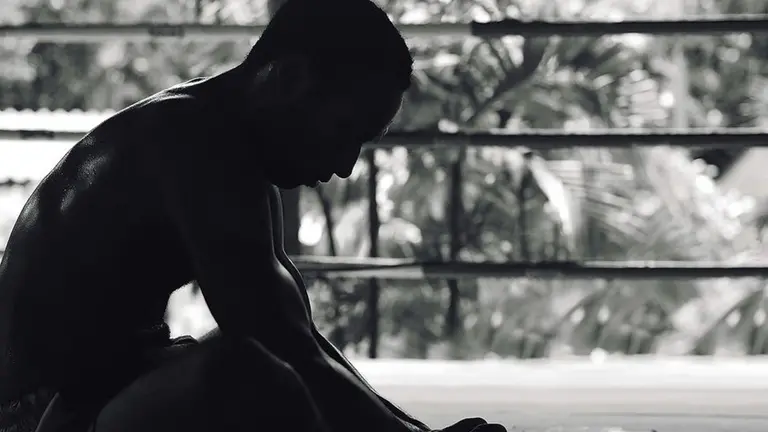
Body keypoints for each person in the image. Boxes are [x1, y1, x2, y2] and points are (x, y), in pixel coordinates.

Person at [0, 0, 509, 431]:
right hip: (36, 410)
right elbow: (275, 341)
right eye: (344, 130)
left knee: (256, 361)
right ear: (289, 78)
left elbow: (298, 333)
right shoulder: (195, 143)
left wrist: (413, 429)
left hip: (106, 387)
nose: (346, 164)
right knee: (243, 372)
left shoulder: (226, 144)